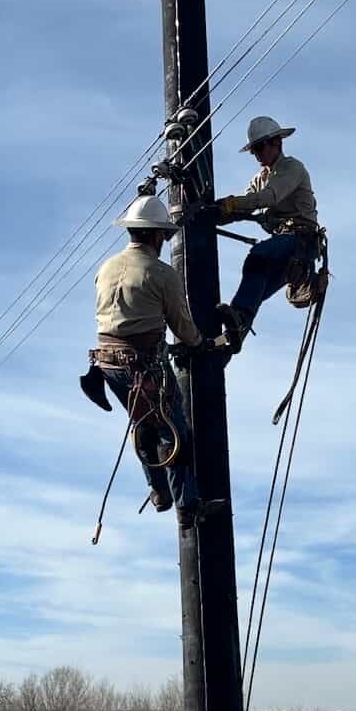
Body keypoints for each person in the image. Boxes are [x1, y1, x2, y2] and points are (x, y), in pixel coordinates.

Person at [82, 195, 223, 529]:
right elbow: (182, 326)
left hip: (107, 365)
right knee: (173, 431)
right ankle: (188, 507)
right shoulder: (161, 274)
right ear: (156, 234)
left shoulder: (106, 266)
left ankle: (158, 490)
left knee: (143, 422)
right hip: (141, 364)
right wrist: (201, 344)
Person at [212, 116, 320, 353]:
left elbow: (266, 198)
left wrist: (228, 205)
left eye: (260, 147)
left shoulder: (291, 168)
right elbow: (246, 205)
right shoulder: (260, 179)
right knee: (255, 287)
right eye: (254, 151)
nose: (257, 155)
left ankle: (238, 320)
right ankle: (230, 341)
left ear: (277, 143)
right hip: (285, 246)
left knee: (257, 257)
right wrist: (213, 213)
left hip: (302, 242)